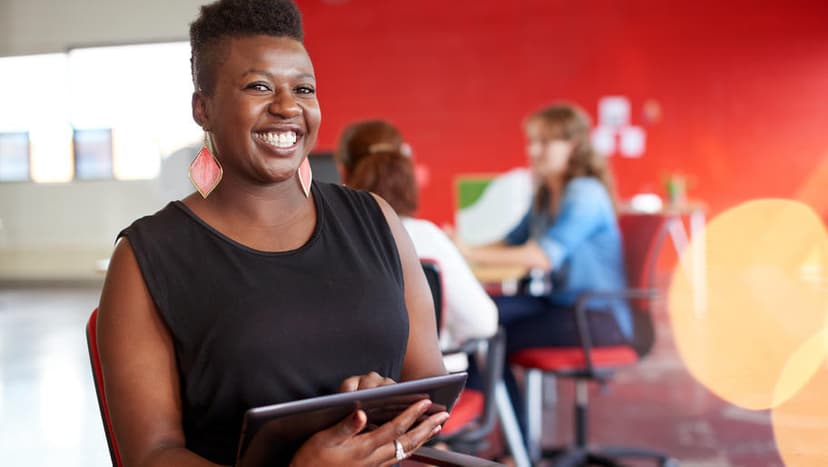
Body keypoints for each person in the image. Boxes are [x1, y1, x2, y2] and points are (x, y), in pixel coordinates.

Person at [96, 1, 448, 466]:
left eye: (303, 88)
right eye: (259, 86)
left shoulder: (376, 219)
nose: (287, 107)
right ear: (203, 108)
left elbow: (430, 384)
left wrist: (388, 406)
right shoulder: (147, 258)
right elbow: (152, 455)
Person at [458, 102, 632, 435]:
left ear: (574, 145)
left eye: (545, 142)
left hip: (596, 317)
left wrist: (467, 251)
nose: (534, 150)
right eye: (532, 141)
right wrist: (460, 249)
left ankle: (514, 443)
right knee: (475, 315)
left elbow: (542, 256)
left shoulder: (584, 192)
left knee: (491, 339)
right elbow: (511, 243)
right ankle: (482, 431)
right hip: (561, 304)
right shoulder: (545, 192)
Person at [338, 120, 498, 370]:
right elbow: (483, 322)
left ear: (343, 172)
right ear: (405, 168)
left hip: (356, 390)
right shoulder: (428, 237)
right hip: (431, 384)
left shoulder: (332, 241)